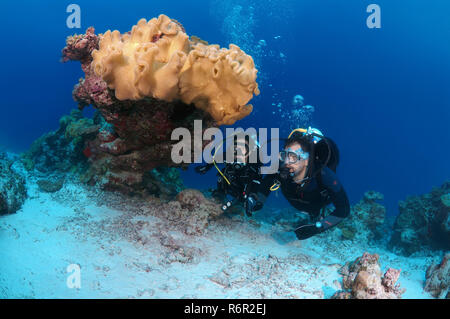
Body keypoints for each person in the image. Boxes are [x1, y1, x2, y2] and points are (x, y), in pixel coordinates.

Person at [246, 128, 350, 240]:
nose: (286, 162)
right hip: (295, 200)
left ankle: (315, 214)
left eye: (293, 157)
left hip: (315, 203)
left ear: (306, 160)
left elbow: (343, 210)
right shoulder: (280, 168)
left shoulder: (325, 175)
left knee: (314, 212)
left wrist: (317, 228)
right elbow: (266, 183)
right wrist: (258, 201)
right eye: (284, 155)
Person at [195, 134, 264, 216]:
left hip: (245, 190)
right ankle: (220, 193)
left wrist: (251, 198)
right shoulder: (228, 155)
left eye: (244, 148)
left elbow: (257, 181)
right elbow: (215, 159)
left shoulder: (255, 163)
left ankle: (242, 202)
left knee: (243, 200)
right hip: (231, 183)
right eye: (235, 147)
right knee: (224, 173)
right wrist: (205, 168)